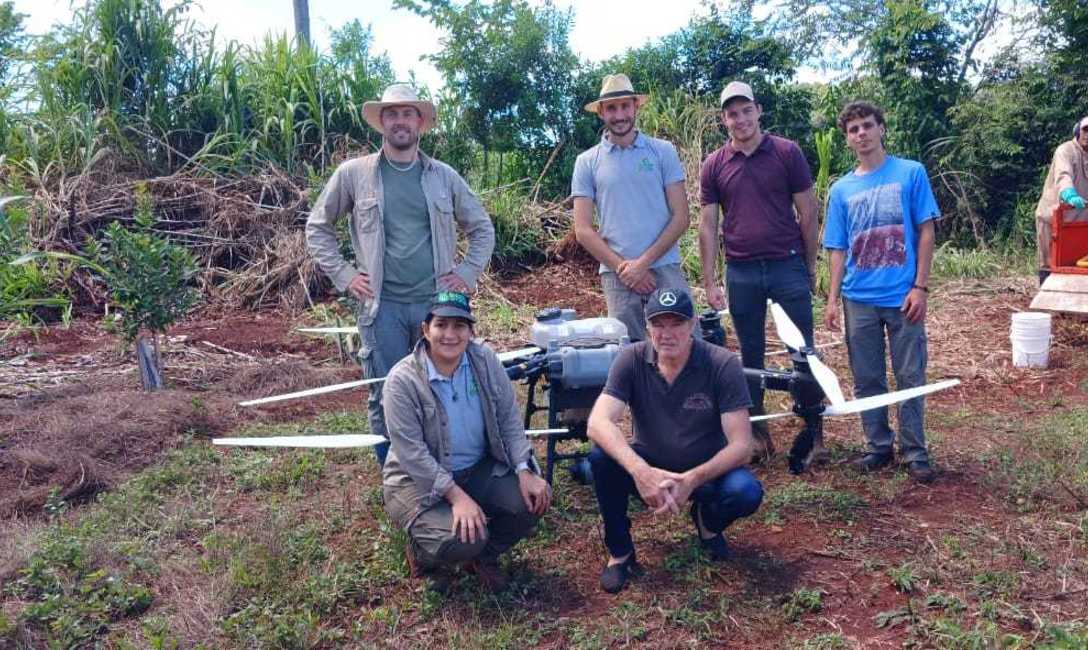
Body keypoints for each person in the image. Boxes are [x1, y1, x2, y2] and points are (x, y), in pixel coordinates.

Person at [306, 83, 495, 466]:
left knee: (439, 387)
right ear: (382, 124)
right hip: (383, 308)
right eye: (391, 114)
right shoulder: (354, 175)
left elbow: (482, 228)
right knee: (385, 392)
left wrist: (467, 272)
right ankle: (395, 477)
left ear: (420, 122)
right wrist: (345, 276)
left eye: (407, 113)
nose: (400, 121)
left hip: (436, 308)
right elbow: (317, 227)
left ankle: (443, 467)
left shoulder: (443, 176)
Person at [586, 287, 764, 594]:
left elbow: (741, 445)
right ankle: (621, 553)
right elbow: (597, 422)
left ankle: (707, 523)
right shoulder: (630, 358)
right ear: (647, 327)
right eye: (658, 324)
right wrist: (642, 473)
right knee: (601, 459)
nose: (667, 333)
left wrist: (693, 479)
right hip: (650, 463)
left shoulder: (722, 363)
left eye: (676, 323)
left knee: (745, 492)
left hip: (706, 469)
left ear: (692, 323)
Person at [381, 291, 551, 591]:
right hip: (417, 480)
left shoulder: (484, 360)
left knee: (531, 500)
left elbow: (508, 419)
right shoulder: (402, 381)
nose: (450, 334)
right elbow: (412, 454)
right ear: (425, 330)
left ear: (471, 331)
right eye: (441, 325)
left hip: (477, 468)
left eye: (459, 326)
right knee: (464, 536)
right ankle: (424, 554)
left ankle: (482, 559)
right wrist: (457, 497)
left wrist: (524, 470)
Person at [697, 80, 819, 460]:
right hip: (742, 271)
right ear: (724, 119)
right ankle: (758, 435)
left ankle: (813, 434)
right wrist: (710, 279)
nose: (741, 119)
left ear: (758, 110)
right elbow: (707, 224)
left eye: (746, 110)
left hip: (786, 264)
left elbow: (809, 211)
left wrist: (809, 264)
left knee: (803, 352)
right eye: (732, 113)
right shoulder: (714, 165)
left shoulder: (786, 153)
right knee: (749, 357)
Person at [823, 101, 939, 484]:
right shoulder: (840, 190)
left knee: (910, 374)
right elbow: (837, 248)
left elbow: (926, 230)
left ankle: (914, 452)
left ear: (881, 129)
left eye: (867, 126)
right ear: (847, 138)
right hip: (858, 298)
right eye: (853, 129)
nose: (861, 134)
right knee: (867, 378)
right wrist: (832, 299)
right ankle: (877, 446)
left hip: (903, 296)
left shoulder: (911, 173)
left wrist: (919, 286)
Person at [572, 73, 693, 341]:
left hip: (664, 268)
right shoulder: (586, 162)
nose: (619, 115)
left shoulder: (662, 151)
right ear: (601, 113)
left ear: (636, 107)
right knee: (629, 355)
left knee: (685, 348)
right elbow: (582, 229)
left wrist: (643, 264)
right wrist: (625, 269)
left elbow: (681, 217)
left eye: (625, 106)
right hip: (617, 277)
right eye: (612, 108)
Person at [1035, 116, 1088, 283]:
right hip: (1054, 218)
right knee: (1050, 265)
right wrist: (1069, 194)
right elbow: (1063, 175)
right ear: (1077, 131)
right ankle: (1046, 301)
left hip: (1079, 222)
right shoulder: (1065, 151)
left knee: (1076, 265)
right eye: (1086, 131)